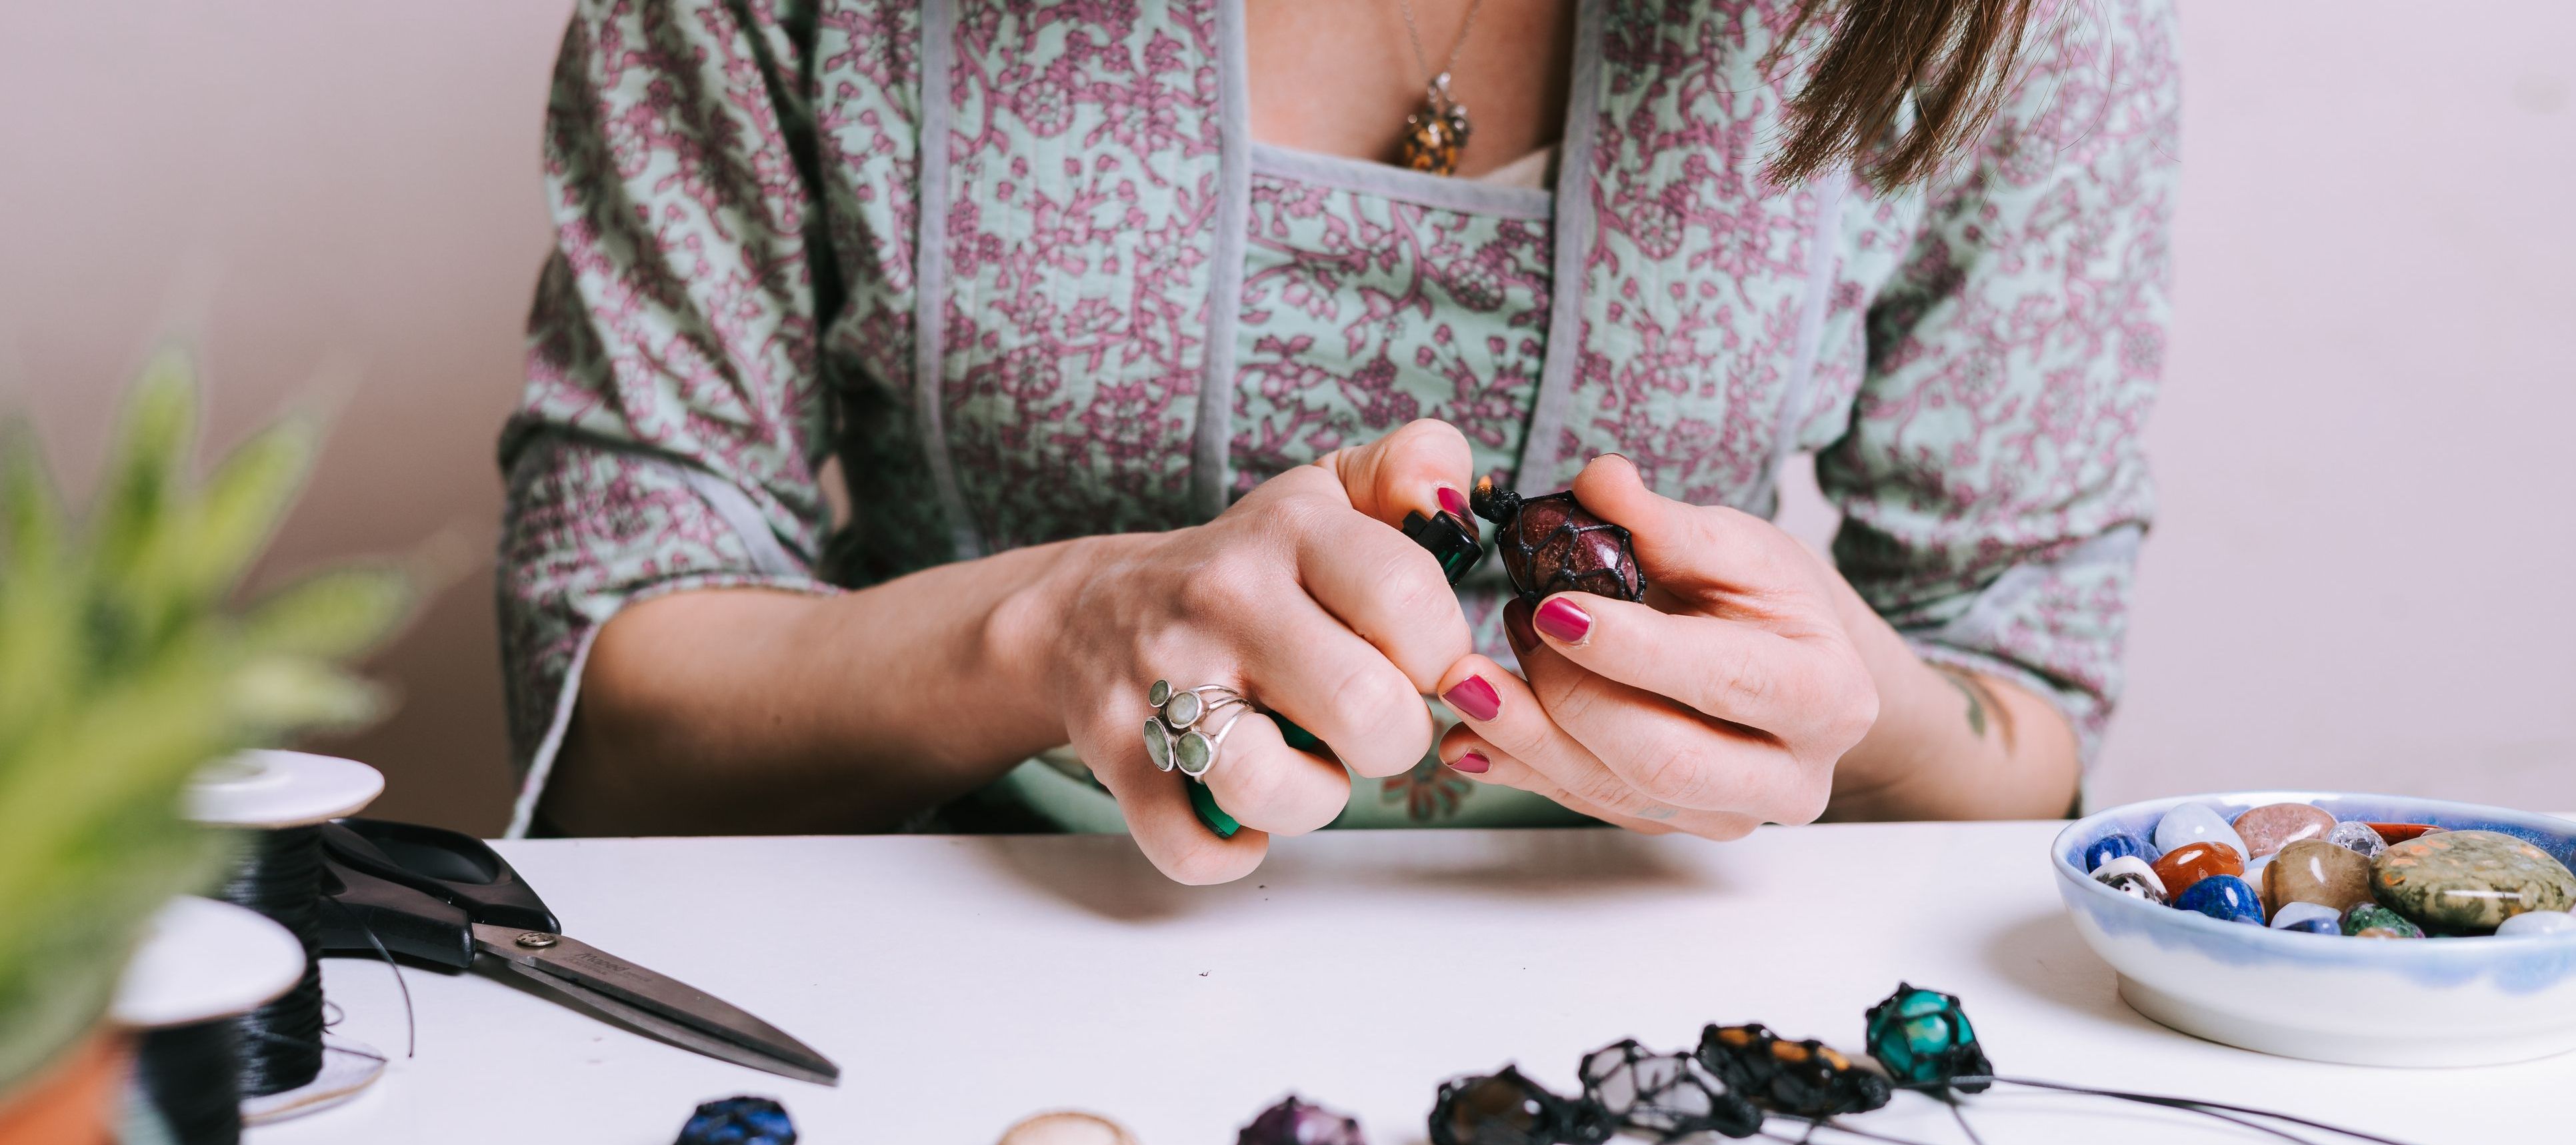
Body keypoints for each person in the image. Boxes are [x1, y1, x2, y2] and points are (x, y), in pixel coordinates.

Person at [495, 0, 2177, 882]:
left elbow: (2020, 722)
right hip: (944, 992)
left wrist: (1855, 717)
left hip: (1662, 1052)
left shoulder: (2005, 24)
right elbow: (608, 731)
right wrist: (1052, 630)